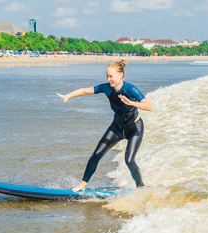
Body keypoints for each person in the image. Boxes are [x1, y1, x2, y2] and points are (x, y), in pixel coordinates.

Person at [57, 60, 153, 192]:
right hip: (117, 127)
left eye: (111, 76)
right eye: (107, 76)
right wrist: (68, 96)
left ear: (121, 75)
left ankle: (141, 186)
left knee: (129, 160)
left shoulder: (131, 89)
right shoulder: (107, 88)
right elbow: (85, 91)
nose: (108, 79)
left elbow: (149, 106)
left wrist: (131, 103)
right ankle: (82, 185)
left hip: (134, 128)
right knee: (96, 154)